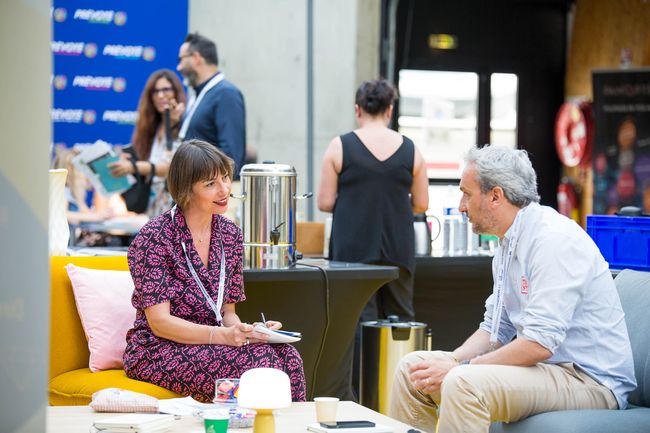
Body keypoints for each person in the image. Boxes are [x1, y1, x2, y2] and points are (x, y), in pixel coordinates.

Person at [389, 145, 636, 433]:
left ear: (496, 196)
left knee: (463, 382)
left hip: (591, 381)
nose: (461, 206)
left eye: (466, 194)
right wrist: (453, 358)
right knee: (413, 369)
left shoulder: (553, 240)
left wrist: (462, 368)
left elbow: (539, 343)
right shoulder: (508, 244)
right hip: (548, 371)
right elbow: (496, 329)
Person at [123, 139, 306, 402]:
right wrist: (221, 335)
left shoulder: (229, 234)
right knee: (262, 361)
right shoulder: (155, 236)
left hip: (214, 341)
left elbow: (227, 314)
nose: (224, 190)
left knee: (288, 356)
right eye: (210, 184)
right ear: (186, 190)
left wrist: (250, 331)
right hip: (159, 349)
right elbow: (160, 323)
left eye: (225, 178)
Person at [317, 79, 428, 398]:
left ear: (357, 110)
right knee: (401, 324)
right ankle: (405, 396)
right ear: (390, 110)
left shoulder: (339, 146)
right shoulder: (411, 149)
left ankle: (358, 398)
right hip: (398, 247)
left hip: (352, 251)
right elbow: (421, 204)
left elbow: (325, 202)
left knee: (355, 326)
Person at [177, 32, 246, 222]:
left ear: (196, 58)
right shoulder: (199, 96)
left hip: (215, 203)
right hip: (198, 200)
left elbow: (231, 154)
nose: (179, 67)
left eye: (181, 59)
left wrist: (215, 191)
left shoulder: (226, 94)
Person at [109, 69, 186, 217]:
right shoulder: (151, 127)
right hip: (152, 202)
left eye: (166, 89)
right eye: (155, 91)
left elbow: (170, 167)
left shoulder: (184, 123)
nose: (161, 95)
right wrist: (128, 162)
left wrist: (133, 167)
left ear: (176, 92)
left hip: (174, 201)